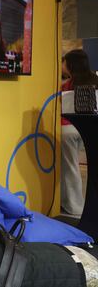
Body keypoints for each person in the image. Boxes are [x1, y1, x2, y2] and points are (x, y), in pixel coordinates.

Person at [61, 49, 98, 217]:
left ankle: (75, 208)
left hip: (67, 129)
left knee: (70, 168)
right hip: (92, 128)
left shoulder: (67, 85)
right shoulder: (95, 80)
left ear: (70, 65)